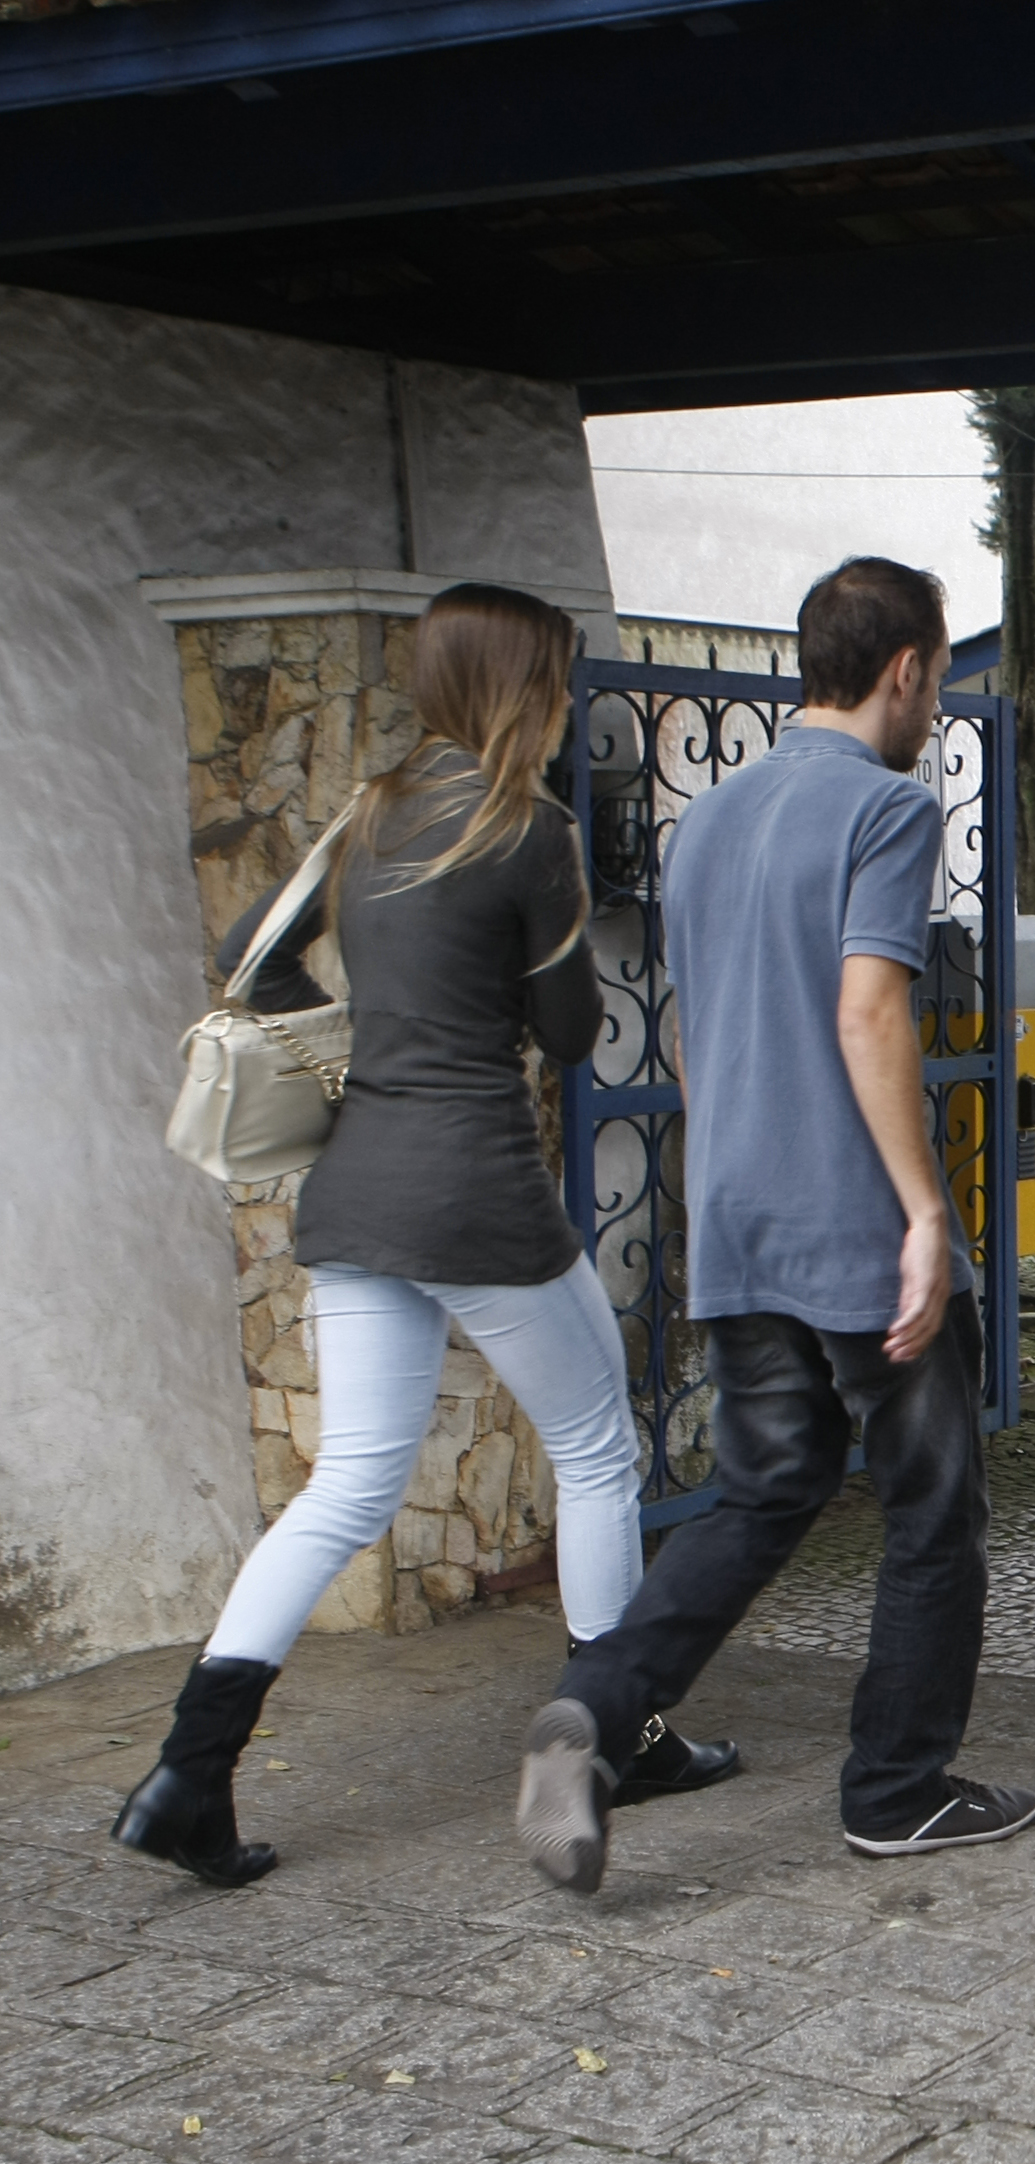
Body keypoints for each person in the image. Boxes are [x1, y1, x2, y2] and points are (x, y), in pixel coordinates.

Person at [116, 582, 740, 1889]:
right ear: (522, 686)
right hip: (474, 1192)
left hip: (353, 1195)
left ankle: (187, 1772)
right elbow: (570, 1035)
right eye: (559, 679)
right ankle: (621, 1735)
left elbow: (253, 957)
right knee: (596, 1450)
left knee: (345, 1488)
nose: (568, 703)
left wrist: (374, 1039)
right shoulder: (530, 831)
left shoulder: (367, 812)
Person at [516, 556, 1035, 1893]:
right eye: (937, 677)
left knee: (764, 1487)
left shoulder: (712, 819)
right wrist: (925, 1209)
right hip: (856, 1226)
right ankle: (897, 1789)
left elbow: (687, 1034)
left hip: (736, 1214)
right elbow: (871, 1010)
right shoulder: (883, 810)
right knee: (933, 1507)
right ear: (909, 668)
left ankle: (598, 1701)